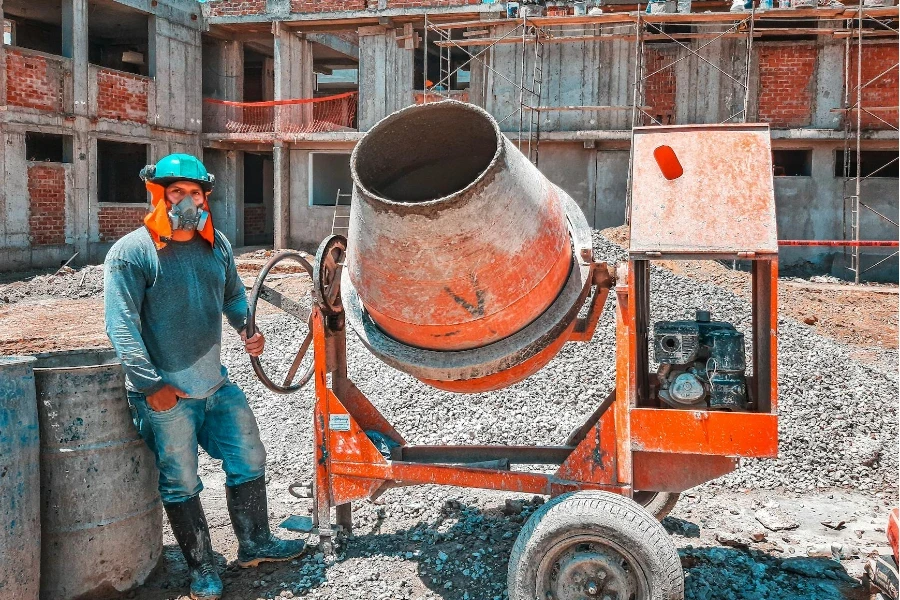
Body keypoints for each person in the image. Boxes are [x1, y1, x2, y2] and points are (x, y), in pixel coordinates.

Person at [103, 154, 305, 600]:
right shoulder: (133, 253)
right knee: (181, 481)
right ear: (157, 194)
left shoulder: (217, 245)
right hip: (166, 395)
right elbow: (120, 326)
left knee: (249, 457)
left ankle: (255, 544)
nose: (188, 201)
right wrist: (152, 386)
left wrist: (246, 328)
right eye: (178, 192)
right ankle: (202, 568)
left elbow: (232, 294)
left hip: (216, 386)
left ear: (206, 197)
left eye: (196, 193)